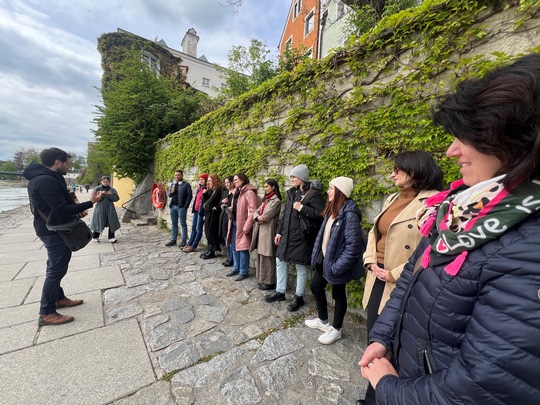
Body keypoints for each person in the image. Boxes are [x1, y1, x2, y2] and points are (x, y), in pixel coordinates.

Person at [359, 54, 540, 404]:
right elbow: (416, 273)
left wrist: (388, 389)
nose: (451, 150)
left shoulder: (528, 248)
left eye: (467, 138)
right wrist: (382, 335)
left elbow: (481, 387)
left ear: (516, 140)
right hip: (402, 366)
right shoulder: (458, 209)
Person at [359, 151, 443, 404]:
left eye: (397, 169)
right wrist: (370, 259)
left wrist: (395, 273)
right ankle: (374, 392)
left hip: (402, 282)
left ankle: (378, 396)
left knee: (392, 344)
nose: (392, 173)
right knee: (374, 337)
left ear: (415, 170)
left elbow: (428, 249)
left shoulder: (433, 203)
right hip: (377, 276)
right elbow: (375, 233)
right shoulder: (393, 198)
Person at [23, 147, 102, 326]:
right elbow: (60, 210)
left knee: (56, 266)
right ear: (57, 162)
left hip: (52, 227)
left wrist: (76, 212)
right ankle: (46, 312)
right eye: (66, 162)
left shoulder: (50, 177)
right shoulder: (45, 180)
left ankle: (58, 298)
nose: (69, 164)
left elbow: (58, 205)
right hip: (52, 230)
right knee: (56, 269)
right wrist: (91, 202)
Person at [305, 177, 366, 344]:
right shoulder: (332, 210)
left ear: (340, 191)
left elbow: (353, 246)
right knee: (315, 286)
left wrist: (337, 267)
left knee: (338, 294)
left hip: (336, 263)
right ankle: (323, 321)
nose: (327, 191)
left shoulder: (350, 214)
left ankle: (336, 329)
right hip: (325, 260)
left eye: (331, 188)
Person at [265, 164, 325, 312]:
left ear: (302, 178)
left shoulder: (314, 194)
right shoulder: (291, 193)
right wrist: (279, 232)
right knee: (280, 260)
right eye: (291, 177)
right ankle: (280, 291)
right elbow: (285, 216)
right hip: (287, 236)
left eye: (294, 177)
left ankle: (299, 297)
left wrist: (302, 208)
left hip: (302, 238)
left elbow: (321, 216)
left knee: (301, 267)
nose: (291, 179)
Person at [225, 172, 259, 281]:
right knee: (235, 246)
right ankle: (236, 267)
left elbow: (253, 210)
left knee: (243, 247)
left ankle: (244, 271)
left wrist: (247, 226)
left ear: (243, 180)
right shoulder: (237, 192)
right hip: (235, 222)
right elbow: (235, 205)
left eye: (236, 180)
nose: (234, 182)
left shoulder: (249, 192)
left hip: (243, 224)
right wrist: (228, 208)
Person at [250, 179, 282, 290]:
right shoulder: (266, 200)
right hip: (260, 231)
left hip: (268, 232)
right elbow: (256, 211)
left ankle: (269, 282)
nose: (265, 188)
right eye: (264, 186)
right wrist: (257, 216)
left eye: (267, 186)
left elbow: (266, 216)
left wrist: (259, 217)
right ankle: (262, 279)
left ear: (273, 187)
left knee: (268, 256)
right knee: (261, 255)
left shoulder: (276, 201)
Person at [165, 169, 192, 247]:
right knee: (174, 224)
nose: (176, 176)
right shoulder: (173, 184)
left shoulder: (186, 185)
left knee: (183, 223)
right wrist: (172, 192)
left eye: (178, 175)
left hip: (181, 207)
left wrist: (185, 207)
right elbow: (169, 195)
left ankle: (184, 240)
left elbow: (189, 196)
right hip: (172, 206)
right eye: (176, 175)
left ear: (182, 175)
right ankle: (173, 240)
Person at [90, 176, 121, 243]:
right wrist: (100, 195)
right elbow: (93, 198)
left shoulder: (112, 190)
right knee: (98, 221)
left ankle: (111, 237)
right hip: (100, 208)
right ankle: (95, 236)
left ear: (109, 182)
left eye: (107, 181)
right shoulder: (97, 188)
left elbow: (117, 198)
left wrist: (110, 194)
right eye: (104, 181)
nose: (105, 183)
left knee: (111, 222)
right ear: (101, 182)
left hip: (110, 208)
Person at [200, 173, 223, 259]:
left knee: (212, 232)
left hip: (215, 213)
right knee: (207, 231)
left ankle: (213, 250)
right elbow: (207, 202)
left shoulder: (219, 189)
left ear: (214, 180)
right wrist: (205, 194)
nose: (209, 182)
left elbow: (221, 201)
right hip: (209, 212)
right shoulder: (210, 189)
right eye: (208, 180)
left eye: (210, 180)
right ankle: (209, 248)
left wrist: (216, 207)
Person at [183, 174, 207, 253]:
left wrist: (205, 214)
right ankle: (190, 243)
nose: (201, 181)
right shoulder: (199, 188)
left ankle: (194, 246)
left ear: (206, 180)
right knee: (193, 227)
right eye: (200, 179)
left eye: (202, 179)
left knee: (198, 229)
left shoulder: (206, 189)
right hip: (196, 210)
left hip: (201, 212)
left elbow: (206, 202)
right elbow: (196, 199)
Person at [220, 176, 235, 267]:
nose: (226, 184)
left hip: (230, 217)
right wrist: (222, 202)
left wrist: (227, 202)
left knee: (230, 239)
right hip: (224, 217)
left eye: (228, 182)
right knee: (226, 238)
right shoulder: (225, 192)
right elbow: (220, 204)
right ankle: (229, 257)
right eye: (225, 182)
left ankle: (232, 259)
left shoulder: (234, 193)